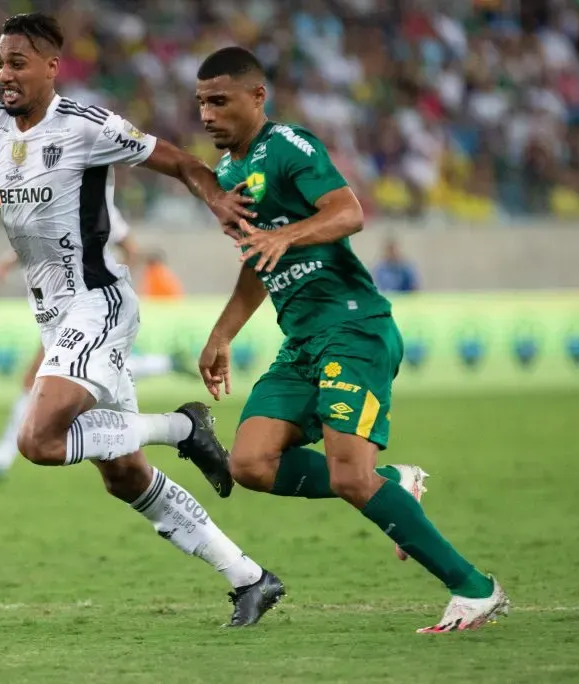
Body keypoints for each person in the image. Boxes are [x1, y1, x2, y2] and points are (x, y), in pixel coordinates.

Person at [0, 14, 283, 626]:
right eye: (0, 63)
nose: (5, 74)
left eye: (17, 63)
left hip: (99, 303)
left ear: (51, 68)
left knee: (38, 440)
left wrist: (217, 196)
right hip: (53, 317)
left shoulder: (86, 126)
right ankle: (249, 577)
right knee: (125, 477)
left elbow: (178, 161)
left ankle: (181, 428)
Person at [192, 46, 508, 633]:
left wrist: (288, 234)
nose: (207, 114)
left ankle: (474, 588)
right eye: (201, 103)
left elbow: (348, 212)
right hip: (301, 343)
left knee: (349, 477)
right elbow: (259, 260)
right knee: (250, 463)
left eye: (220, 100)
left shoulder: (289, 146)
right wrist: (222, 333)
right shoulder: (230, 177)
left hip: (353, 329)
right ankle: (395, 484)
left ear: (257, 96)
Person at [0, 191, 196, 484]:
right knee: (103, 381)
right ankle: (169, 374)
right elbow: (47, 242)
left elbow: (129, 249)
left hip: (87, 311)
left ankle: (0, 458)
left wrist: (112, 282)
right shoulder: (58, 194)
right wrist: (13, 259)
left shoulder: (97, 201)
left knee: (40, 381)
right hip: (59, 311)